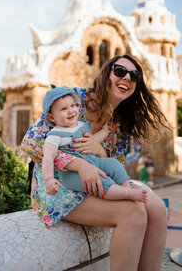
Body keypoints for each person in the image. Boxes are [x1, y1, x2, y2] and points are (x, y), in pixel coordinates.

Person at [22, 54, 170, 271]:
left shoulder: (119, 122)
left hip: (98, 185)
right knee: (133, 213)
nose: (127, 77)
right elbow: (30, 144)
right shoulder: (73, 101)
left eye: (134, 75)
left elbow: (114, 164)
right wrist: (79, 165)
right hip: (58, 187)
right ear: (107, 74)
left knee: (156, 208)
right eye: (120, 71)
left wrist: (99, 150)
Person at [42, 86, 148, 203]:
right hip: (73, 174)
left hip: (94, 162)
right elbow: (48, 157)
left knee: (113, 164)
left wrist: (105, 131)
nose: (71, 110)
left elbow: (92, 141)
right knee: (100, 181)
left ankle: (126, 188)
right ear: (51, 117)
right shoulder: (55, 135)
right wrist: (49, 179)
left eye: (72, 106)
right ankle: (127, 194)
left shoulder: (81, 125)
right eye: (64, 109)